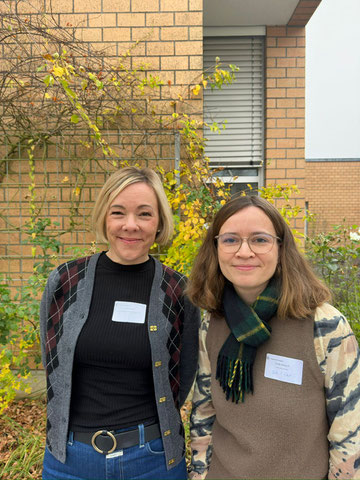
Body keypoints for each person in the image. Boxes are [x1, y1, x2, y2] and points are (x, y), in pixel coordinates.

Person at [40, 166, 200, 480]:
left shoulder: (178, 290)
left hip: (153, 461)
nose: (131, 225)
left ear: (159, 222)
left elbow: (186, 370)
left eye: (144, 214)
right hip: (68, 461)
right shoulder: (65, 281)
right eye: (118, 213)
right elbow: (52, 360)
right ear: (104, 217)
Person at [186, 195, 360, 480]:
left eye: (259, 240)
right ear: (215, 249)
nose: (244, 252)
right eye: (230, 240)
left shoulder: (325, 327)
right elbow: (204, 412)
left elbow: (350, 433)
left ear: (281, 248)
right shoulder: (213, 321)